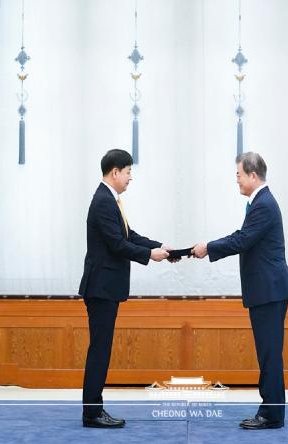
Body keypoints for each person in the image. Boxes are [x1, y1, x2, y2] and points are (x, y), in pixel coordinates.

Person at [192, 152, 288, 430]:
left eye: (238, 174)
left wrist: (208, 247)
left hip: (269, 291)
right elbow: (244, 238)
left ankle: (271, 414)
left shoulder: (264, 204)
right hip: (266, 290)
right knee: (268, 354)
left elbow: (242, 239)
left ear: (252, 175)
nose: (236, 179)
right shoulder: (259, 202)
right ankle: (271, 411)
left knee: (269, 355)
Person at [79, 149, 171, 428]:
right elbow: (118, 245)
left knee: (101, 349)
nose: (131, 177)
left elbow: (129, 235)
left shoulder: (110, 200)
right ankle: (92, 412)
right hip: (101, 288)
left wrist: (159, 247)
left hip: (106, 288)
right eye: (129, 172)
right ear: (115, 172)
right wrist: (149, 255)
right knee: (100, 350)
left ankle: (93, 410)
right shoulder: (103, 201)